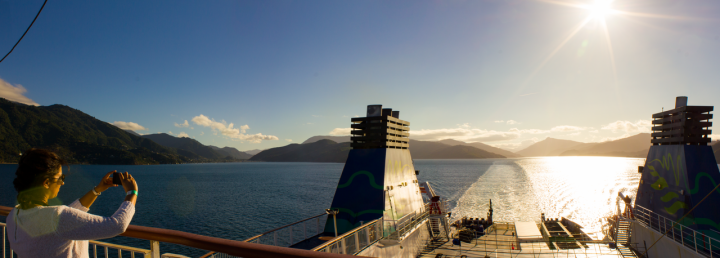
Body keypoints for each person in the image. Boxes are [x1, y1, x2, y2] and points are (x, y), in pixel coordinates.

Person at [6, 148, 138, 258]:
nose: (62, 183)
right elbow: (117, 225)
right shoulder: (56, 217)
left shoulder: (14, 215)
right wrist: (132, 192)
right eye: (60, 178)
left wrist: (97, 190)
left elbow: (66, 218)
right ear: (46, 182)